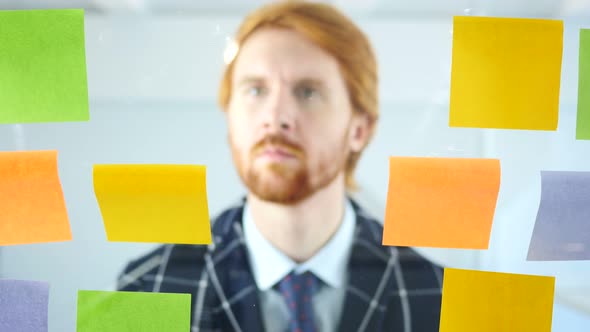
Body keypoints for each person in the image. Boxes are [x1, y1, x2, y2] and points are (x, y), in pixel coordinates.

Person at [117, 1, 443, 331]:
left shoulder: (438, 299)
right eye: (255, 90)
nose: (274, 118)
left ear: (359, 130)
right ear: (230, 118)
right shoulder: (146, 291)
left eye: (307, 92)